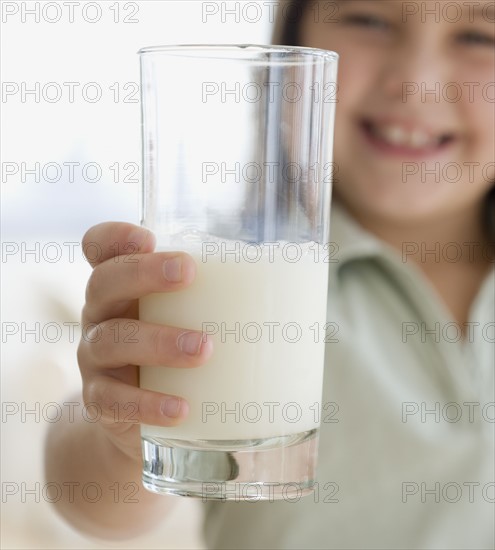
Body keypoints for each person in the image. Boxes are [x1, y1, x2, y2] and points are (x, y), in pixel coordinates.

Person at [45, 1, 495, 548]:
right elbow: (90, 498)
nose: (416, 83)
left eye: (479, 36)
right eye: (370, 21)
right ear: (292, 38)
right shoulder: (229, 268)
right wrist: (117, 436)